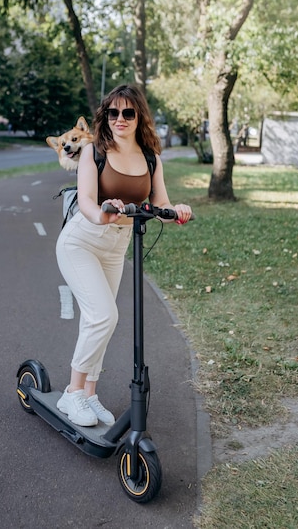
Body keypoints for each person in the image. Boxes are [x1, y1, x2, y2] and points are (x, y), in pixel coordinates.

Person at [56, 84, 193, 427]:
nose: (120, 119)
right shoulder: (95, 151)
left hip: (117, 248)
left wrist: (174, 210)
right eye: (113, 112)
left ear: (139, 116)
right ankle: (71, 394)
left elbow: (159, 201)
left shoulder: (150, 157)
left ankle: (89, 394)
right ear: (105, 116)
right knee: (104, 316)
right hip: (82, 241)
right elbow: (86, 199)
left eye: (127, 113)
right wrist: (101, 212)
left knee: (98, 321)